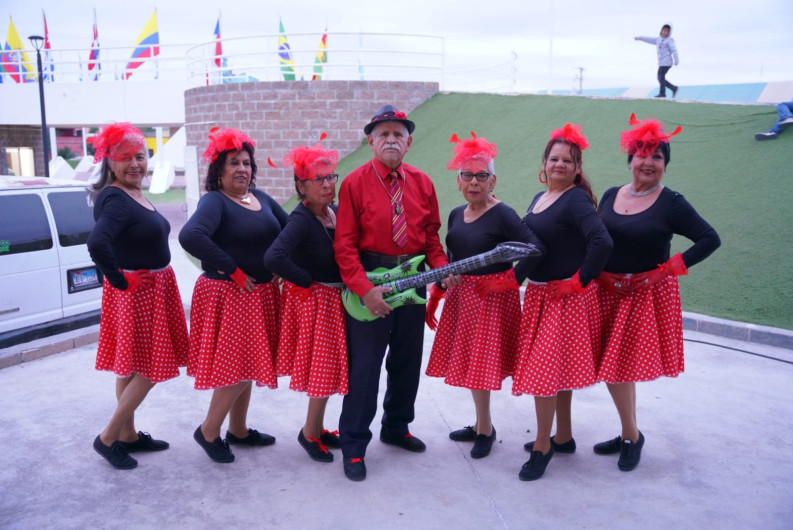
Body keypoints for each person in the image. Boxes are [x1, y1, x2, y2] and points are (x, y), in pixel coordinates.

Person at [333, 104, 458, 481]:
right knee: (365, 371)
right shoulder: (353, 183)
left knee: (406, 364)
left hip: (412, 282)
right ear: (371, 142)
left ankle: (396, 426)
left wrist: (440, 269)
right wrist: (365, 289)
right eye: (383, 134)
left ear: (409, 142)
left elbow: (431, 237)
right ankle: (354, 444)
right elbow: (344, 246)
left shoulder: (423, 182)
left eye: (398, 134)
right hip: (371, 282)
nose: (391, 139)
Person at [594, 114, 720, 471]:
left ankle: (631, 435)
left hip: (642, 294)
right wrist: (600, 275)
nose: (648, 162)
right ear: (630, 159)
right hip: (607, 291)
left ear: (665, 163)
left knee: (618, 370)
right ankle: (628, 432)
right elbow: (598, 241)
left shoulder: (672, 203)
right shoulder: (609, 194)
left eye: (657, 156)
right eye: (641, 154)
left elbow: (710, 239)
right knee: (619, 370)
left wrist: (664, 272)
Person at [425, 132, 543, 460]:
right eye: (467, 175)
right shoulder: (455, 215)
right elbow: (452, 256)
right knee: (471, 365)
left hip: (492, 301)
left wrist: (510, 281)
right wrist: (442, 284)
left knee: (480, 367)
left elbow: (535, 250)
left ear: (493, 180)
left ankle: (486, 429)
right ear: (458, 181)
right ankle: (480, 424)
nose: (473, 182)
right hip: (463, 300)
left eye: (481, 176)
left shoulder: (503, 214)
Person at [179, 128, 288, 464]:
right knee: (237, 367)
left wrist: (285, 264)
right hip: (230, 294)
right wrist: (234, 271)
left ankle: (238, 430)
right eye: (233, 163)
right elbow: (191, 236)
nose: (242, 168)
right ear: (219, 171)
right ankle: (209, 431)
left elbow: (290, 230)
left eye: (246, 162)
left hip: (261, 295)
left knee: (250, 364)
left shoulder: (262, 198)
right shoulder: (214, 201)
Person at [511, 123, 613, 481]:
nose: (559, 165)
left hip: (563, 299)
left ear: (577, 167)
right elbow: (534, 249)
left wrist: (578, 282)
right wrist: (513, 280)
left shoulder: (576, 199)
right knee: (557, 374)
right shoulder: (540, 198)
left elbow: (602, 242)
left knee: (542, 377)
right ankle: (564, 437)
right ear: (544, 162)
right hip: (539, 295)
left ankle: (542, 446)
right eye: (554, 158)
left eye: (567, 160)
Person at [86, 122, 189, 470]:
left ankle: (128, 436)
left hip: (149, 289)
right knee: (150, 366)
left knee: (129, 367)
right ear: (110, 163)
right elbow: (97, 243)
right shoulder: (116, 197)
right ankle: (108, 437)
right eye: (125, 158)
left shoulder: (131, 194)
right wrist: (120, 281)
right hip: (140, 292)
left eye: (140, 156)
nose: (135, 164)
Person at [263, 136, 347, 464]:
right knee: (323, 369)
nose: (327, 185)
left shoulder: (333, 212)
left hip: (335, 297)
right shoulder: (301, 219)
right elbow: (274, 257)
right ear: (301, 186)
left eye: (330, 177)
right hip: (317, 300)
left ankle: (319, 426)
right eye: (318, 180)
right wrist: (305, 280)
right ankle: (310, 433)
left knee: (328, 368)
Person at [635, 24, 679, 99]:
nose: (665, 33)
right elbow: (648, 39)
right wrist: (639, 38)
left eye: (667, 32)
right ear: (661, 31)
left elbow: (674, 50)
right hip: (662, 63)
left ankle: (663, 93)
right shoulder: (658, 39)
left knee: (661, 77)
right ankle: (673, 88)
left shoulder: (669, 40)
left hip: (667, 62)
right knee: (660, 78)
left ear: (669, 33)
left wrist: (676, 60)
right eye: (664, 31)